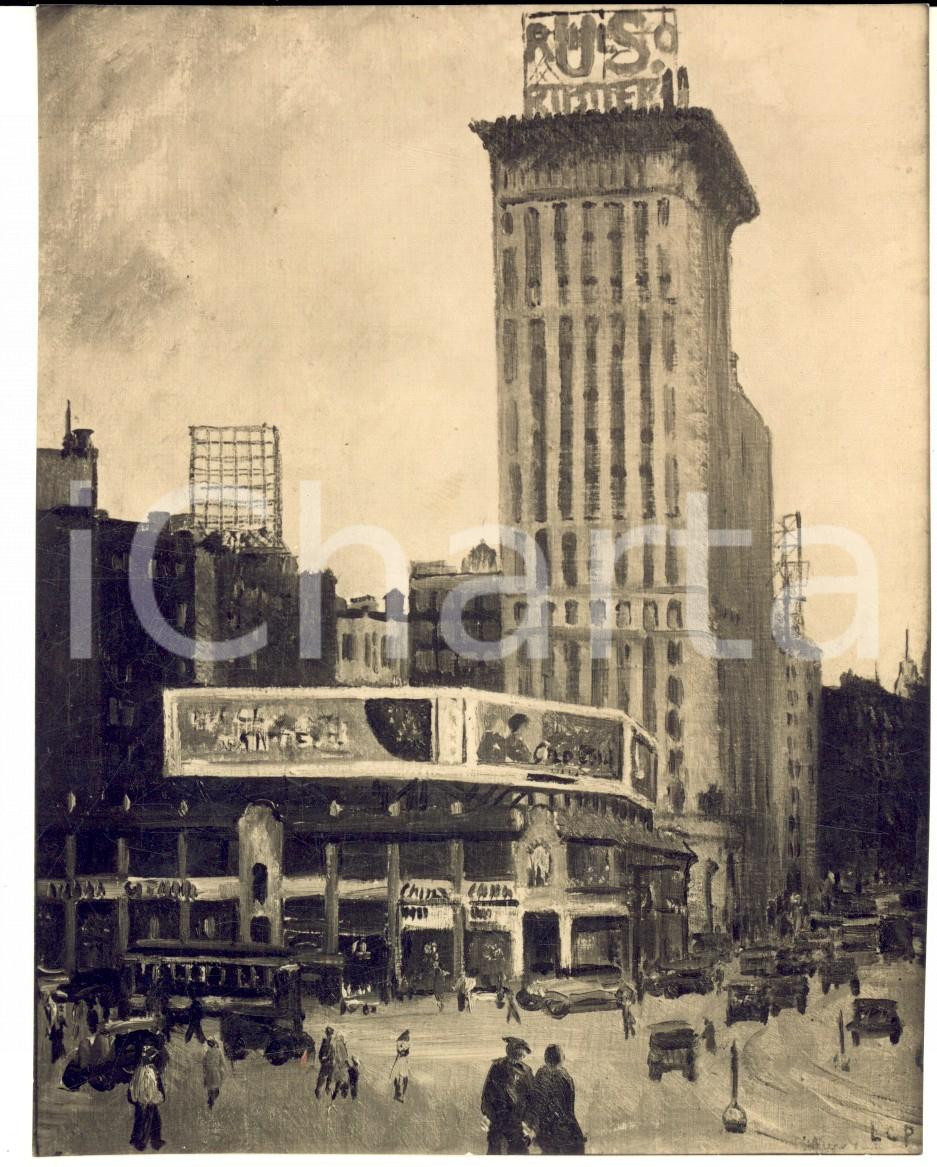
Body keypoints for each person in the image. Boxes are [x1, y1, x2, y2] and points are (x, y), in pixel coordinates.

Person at [481, 1036, 535, 1155]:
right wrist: (487, 1115)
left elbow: (532, 1097)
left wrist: (528, 1122)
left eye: (523, 1055)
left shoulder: (526, 1070)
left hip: (518, 1123)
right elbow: (487, 1094)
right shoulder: (497, 1067)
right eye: (519, 1055)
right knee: (495, 1151)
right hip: (498, 1121)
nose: (522, 1057)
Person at [532, 1045, 586, 1155]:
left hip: (546, 1130)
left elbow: (536, 1104)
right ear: (562, 1058)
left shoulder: (540, 1074)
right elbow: (568, 1108)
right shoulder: (565, 1077)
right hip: (563, 1129)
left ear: (546, 1059)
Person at [128, 1044, 165, 1152]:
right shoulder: (144, 1069)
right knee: (144, 1118)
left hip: (147, 1096)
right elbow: (143, 1085)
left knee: (149, 1118)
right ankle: (141, 1140)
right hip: (145, 1097)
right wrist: (148, 1098)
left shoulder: (148, 1068)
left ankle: (149, 1139)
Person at [203, 1038, 225, 1110]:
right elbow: (222, 1062)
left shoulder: (207, 1052)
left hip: (208, 1072)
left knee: (210, 1088)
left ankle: (210, 1101)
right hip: (216, 1072)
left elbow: (204, 1063)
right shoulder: (219, 1051)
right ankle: (211, 1100)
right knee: (216, 1089)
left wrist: (205, 1072)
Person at [315, 1026, 335, 1099]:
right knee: (325, 1078)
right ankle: (323, 1090)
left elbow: (323, 1055)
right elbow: (324, 1055)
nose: (330, 1036)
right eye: (330, 1034)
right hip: (329, 1063)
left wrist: (323, 1059)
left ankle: (322, 1091)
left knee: (323, 1078)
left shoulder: (327, 1042)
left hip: (328, 1063)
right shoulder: (328, 1043)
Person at [392, 1029, 410, 1103]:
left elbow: (404, 1082)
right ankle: (404, 1038)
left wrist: (402, 1096)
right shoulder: (398, 1084)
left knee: (403, 1046)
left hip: (401, 1065)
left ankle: (404, 1038)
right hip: (401, 1065)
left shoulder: (397, 1084)